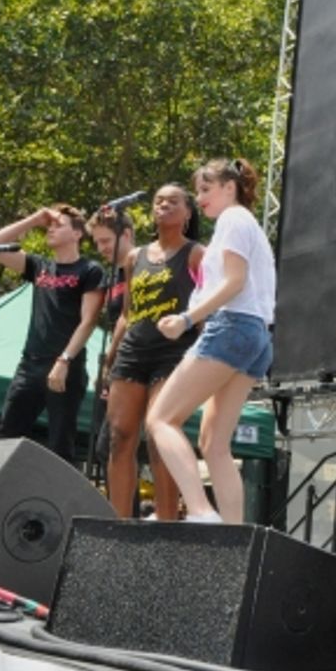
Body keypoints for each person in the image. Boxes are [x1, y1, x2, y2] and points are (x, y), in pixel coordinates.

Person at [147, 159, 275, 524]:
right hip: (257, 336)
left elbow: (234, 282)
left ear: (228, 187)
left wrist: (188, 318)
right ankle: (234, 535)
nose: (199, 198)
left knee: (160, 420)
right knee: (214, 443)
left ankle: (201, 510)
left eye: (205, 189)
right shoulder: (241, 225)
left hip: (233, 327)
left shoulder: (233, 220)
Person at [99, 186, 204, 520]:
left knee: (159, 436)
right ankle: (120, 523)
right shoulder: (134, 257)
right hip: (133, 351)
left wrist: (206, 358)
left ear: (188, 212)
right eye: (159, 200)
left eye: (174, 201)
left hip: (174, 353)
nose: (164, 205)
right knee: (119, 437)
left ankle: (167, 522)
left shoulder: (196, 254)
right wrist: (111, 357)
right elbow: (127, 314)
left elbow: (205, 310)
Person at [0, 205, 104, 462]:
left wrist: (64, 360)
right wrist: (33, 219)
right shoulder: (39, 266)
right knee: (6, 437)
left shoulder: (90, 270)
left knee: (61, 444)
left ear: (77, 234)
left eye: (58, 225)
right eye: (49, 225)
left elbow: (89, 321)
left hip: (65, 367)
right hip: (30, 364)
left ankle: (59, 501)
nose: (50, 229)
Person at [87, 209, 135, 475]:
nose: (100, 248)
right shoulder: (112, 276)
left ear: (126, 234)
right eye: (97, 242)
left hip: (135, 364)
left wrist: (109, 359)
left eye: (105, 241)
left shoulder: (141, 265)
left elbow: (127, 319)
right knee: (106, 447)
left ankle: (127, 515)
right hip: (118, 367)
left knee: (116, 445)